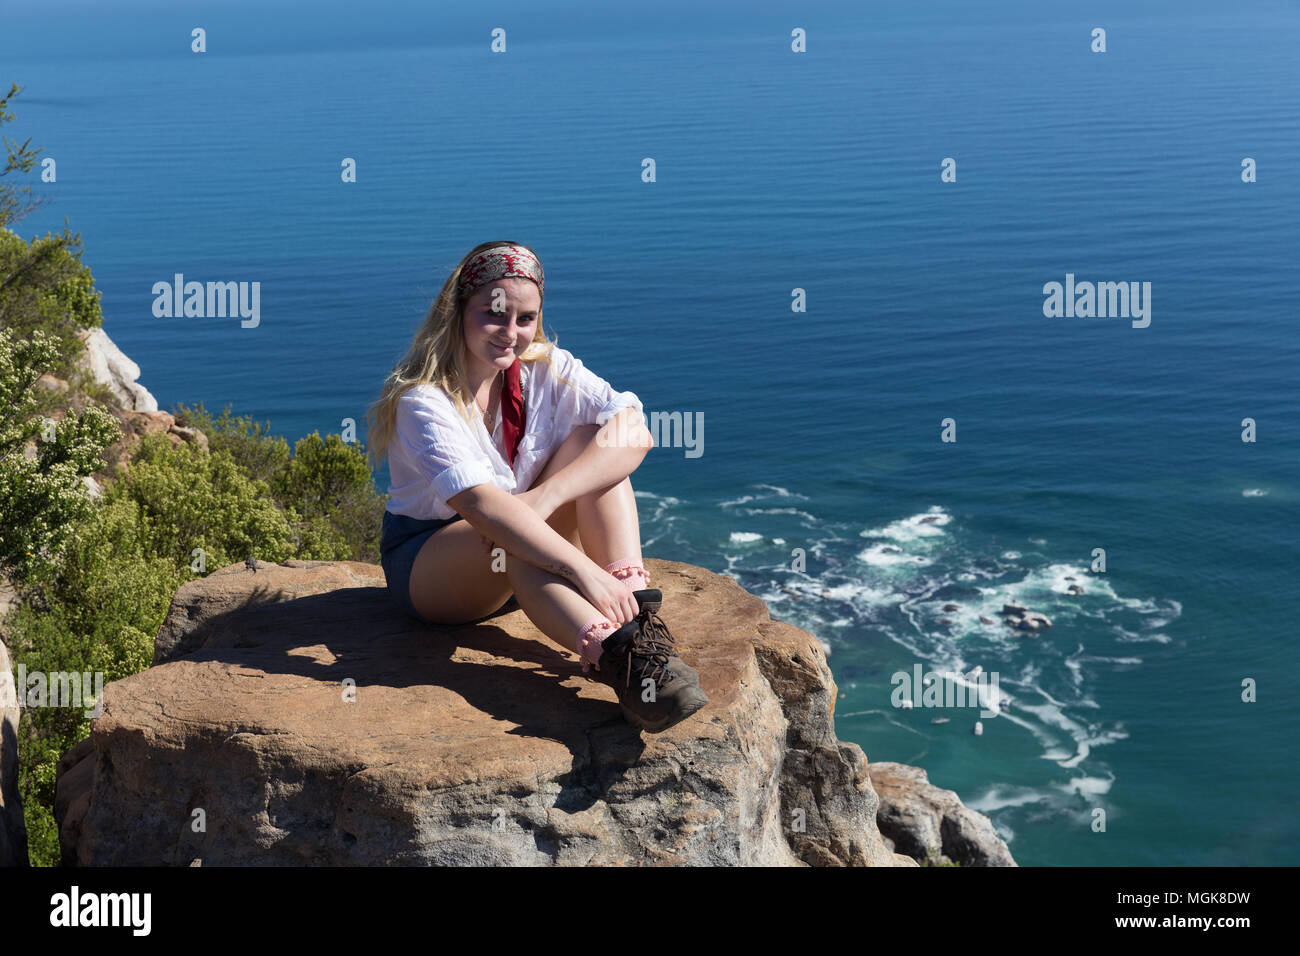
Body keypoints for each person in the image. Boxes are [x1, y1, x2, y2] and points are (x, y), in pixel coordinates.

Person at [366, 241, 708, 733]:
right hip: (433, 570)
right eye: (494, 314)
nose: (511, 334)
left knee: (598, 445)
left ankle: (639, 625)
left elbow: (634, 430)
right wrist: (585, 573)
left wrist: (542, 498)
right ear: (457, 310)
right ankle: (620, 658)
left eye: (525, 319)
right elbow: (483, 507)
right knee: (515, 530)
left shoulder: (547, 368)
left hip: (515, 542)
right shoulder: (425, 401)